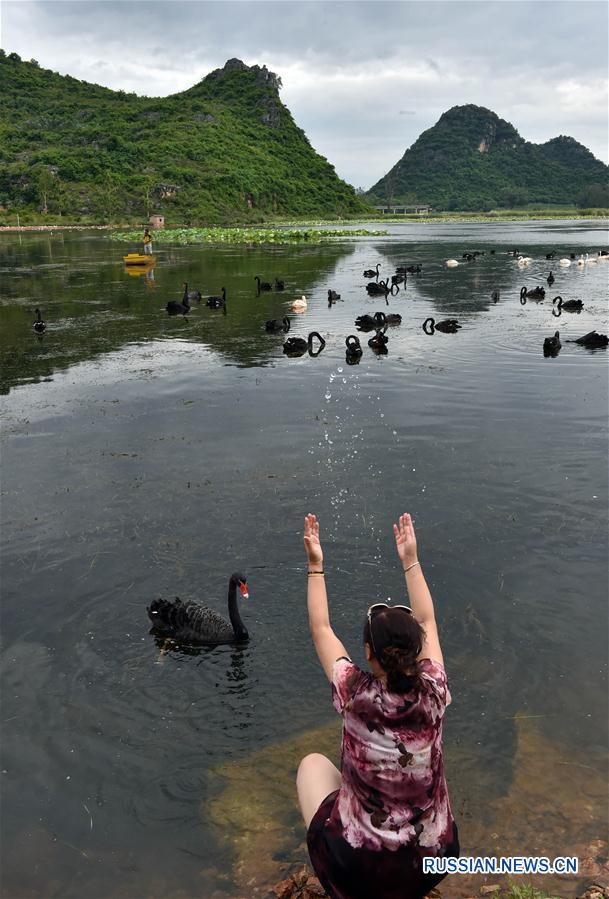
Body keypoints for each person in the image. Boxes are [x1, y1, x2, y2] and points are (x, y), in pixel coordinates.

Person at [297, 512, 459, 899]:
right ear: (417, 650)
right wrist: (410, 559)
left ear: (368, 654)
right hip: (433, 860)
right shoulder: (434, 689)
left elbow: (321, 628)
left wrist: (315, 566)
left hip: (358, 868)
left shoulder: (354, 692)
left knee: (312, 766)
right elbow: (428, 618)